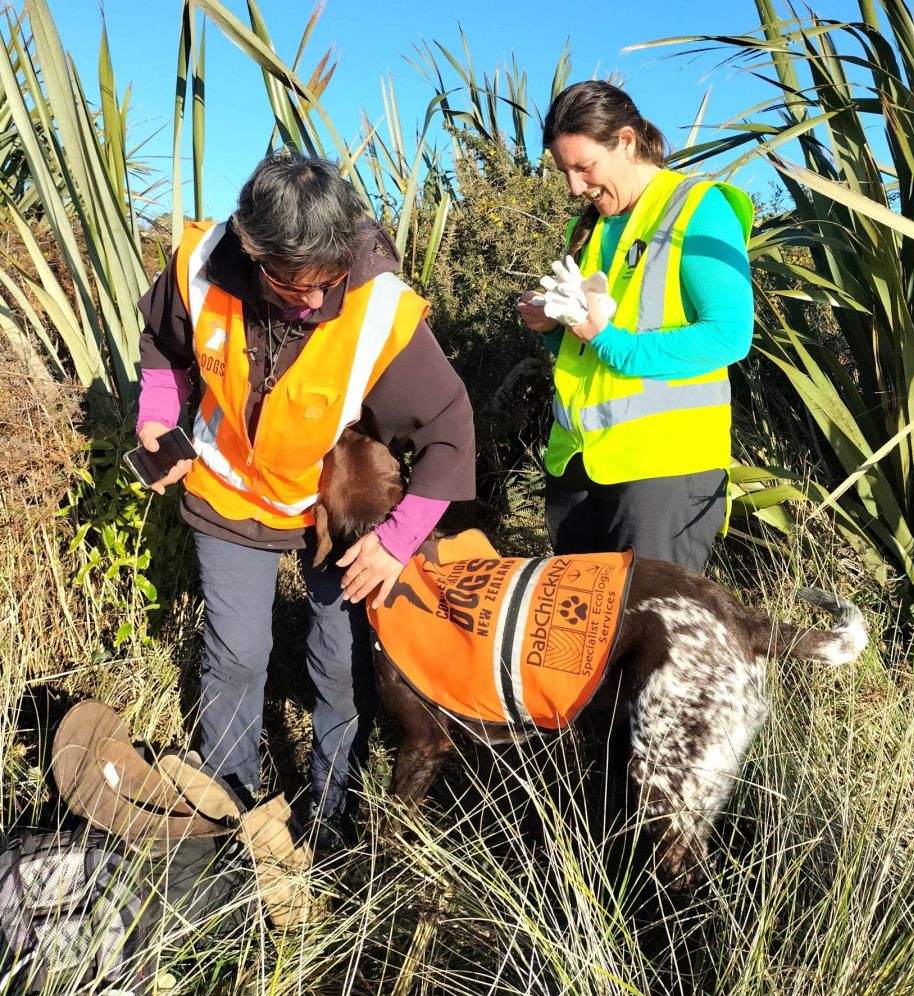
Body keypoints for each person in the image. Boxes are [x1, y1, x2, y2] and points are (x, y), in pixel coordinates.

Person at [135, 150, 475, 845]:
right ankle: (224, 808)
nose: (317, 301)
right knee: (238, 656)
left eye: (330, 281)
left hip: (335, 507)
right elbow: (162, 345)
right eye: (295, 285)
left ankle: (331, 816)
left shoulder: (382, 309)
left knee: (341, 665)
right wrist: (154, 418)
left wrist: (396, 537)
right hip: (227, 491)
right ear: (251, 249)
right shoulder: (198, 266)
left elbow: (450, 430)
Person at [517, 80, 754, 570]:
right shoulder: (590, 227)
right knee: (584, 636)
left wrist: (610, 342)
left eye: (584, 167)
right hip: (579, 465)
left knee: (655, 642)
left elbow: (730, 335)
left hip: (663, 471)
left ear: (625, 142)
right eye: (565, 171)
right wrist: (553, 327)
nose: (575, 187)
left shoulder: (698, 207)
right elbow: (585, 353)